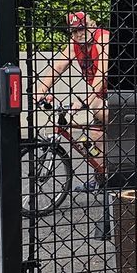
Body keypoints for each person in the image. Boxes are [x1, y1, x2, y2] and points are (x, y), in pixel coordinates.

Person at [34, 12, 109, 168]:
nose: (79, 34)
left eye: (83, 28)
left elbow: (102, 74)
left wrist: (85, 101)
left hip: (118, 93)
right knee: (96, 135)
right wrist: (41, 90)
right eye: (74, 31)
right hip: (100, 96)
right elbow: (58, 67)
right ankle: (102, 179)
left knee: (97, 108)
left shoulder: (103, 39)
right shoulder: (74, 44)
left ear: (93, 25)